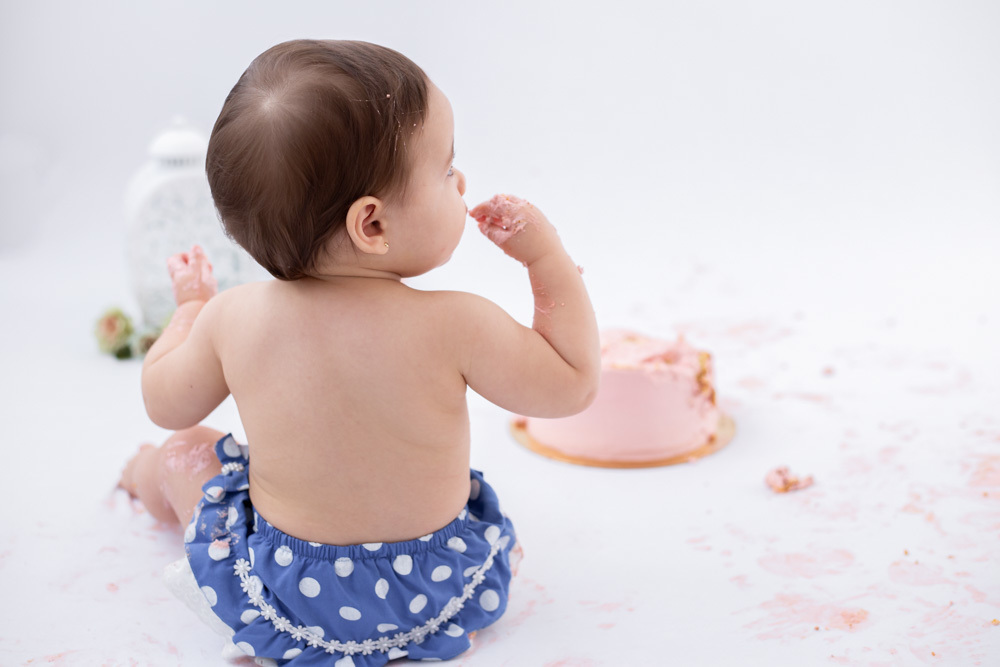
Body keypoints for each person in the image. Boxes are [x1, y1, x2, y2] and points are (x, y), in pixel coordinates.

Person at [119, 39, 600, 665]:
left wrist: (189, 308)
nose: (462, 182)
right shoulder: (456, 323)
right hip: (437, 592)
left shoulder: (231, 318)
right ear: (371, 226)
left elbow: (165, 402)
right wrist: (547, 258)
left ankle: (140, 478)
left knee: (181, 452)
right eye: (444, 169)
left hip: (289, 601)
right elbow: (573, 382)